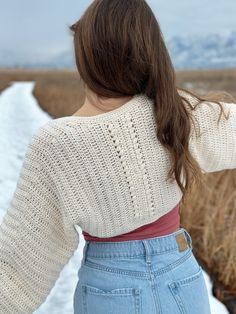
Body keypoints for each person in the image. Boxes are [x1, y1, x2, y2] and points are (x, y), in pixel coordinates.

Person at [0, 0, 236, 313]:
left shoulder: (57, 143)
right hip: (183, 280)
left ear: (85, 56)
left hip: (109, 291)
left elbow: (21, 266)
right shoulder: (174, 113)